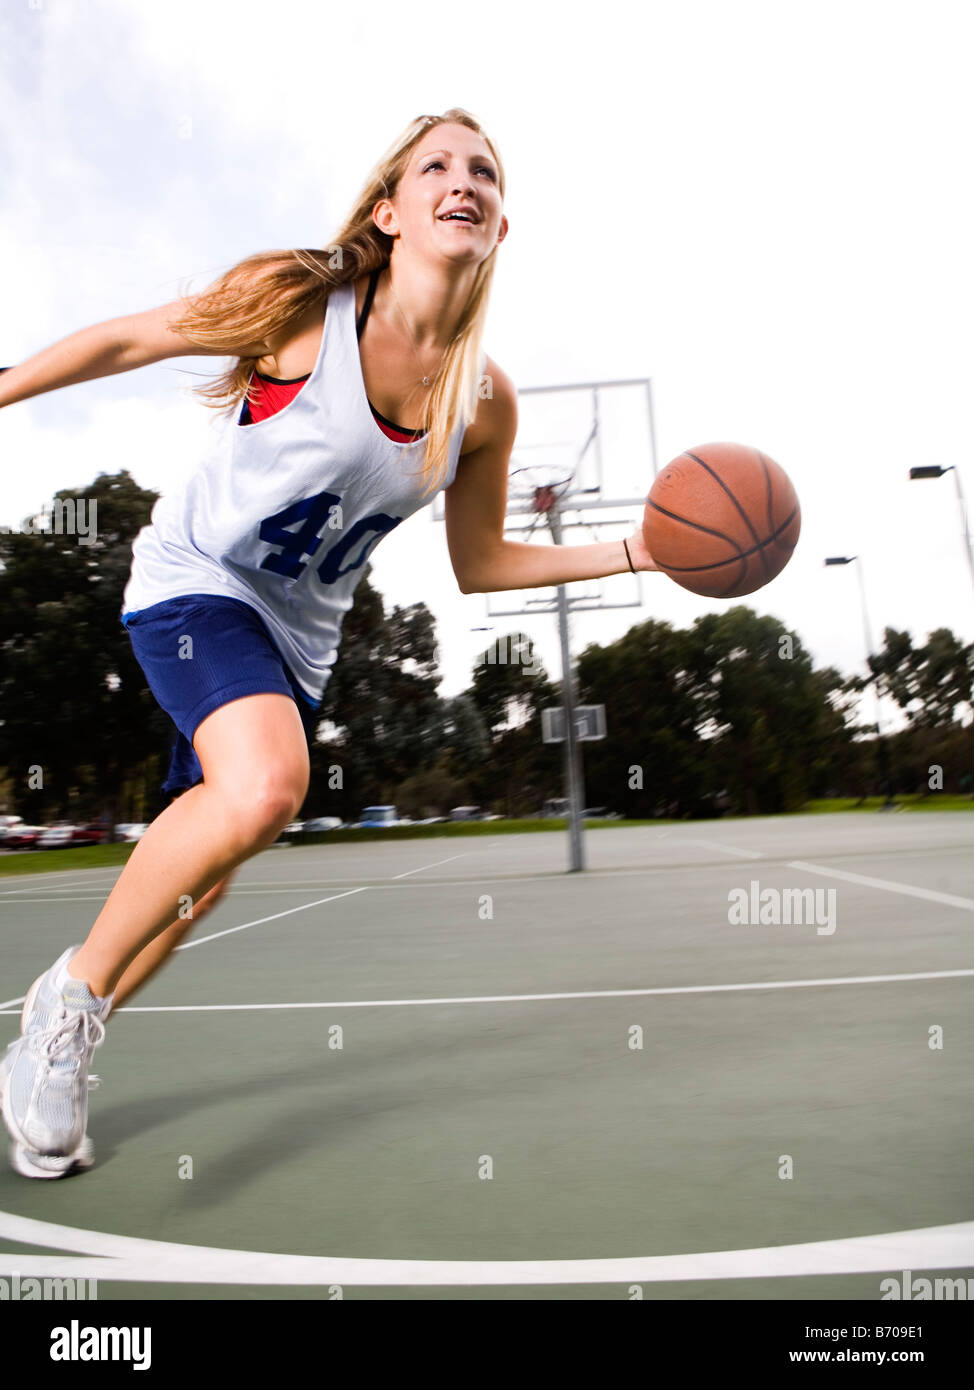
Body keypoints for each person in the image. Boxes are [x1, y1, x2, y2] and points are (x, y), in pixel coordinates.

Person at [0, 108, 656, 1179]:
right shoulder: (303, 307)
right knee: (266, 788)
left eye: (482, 170)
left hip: (294, 648)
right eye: (435, 164)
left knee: (200, 871)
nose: (463, 179)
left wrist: (633, 550)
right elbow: (130, 337)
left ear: (499, 225)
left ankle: (68, 1020)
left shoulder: (479, 402)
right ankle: (64, 1013)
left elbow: (481, 564)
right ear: (389, 212)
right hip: (195, 583)